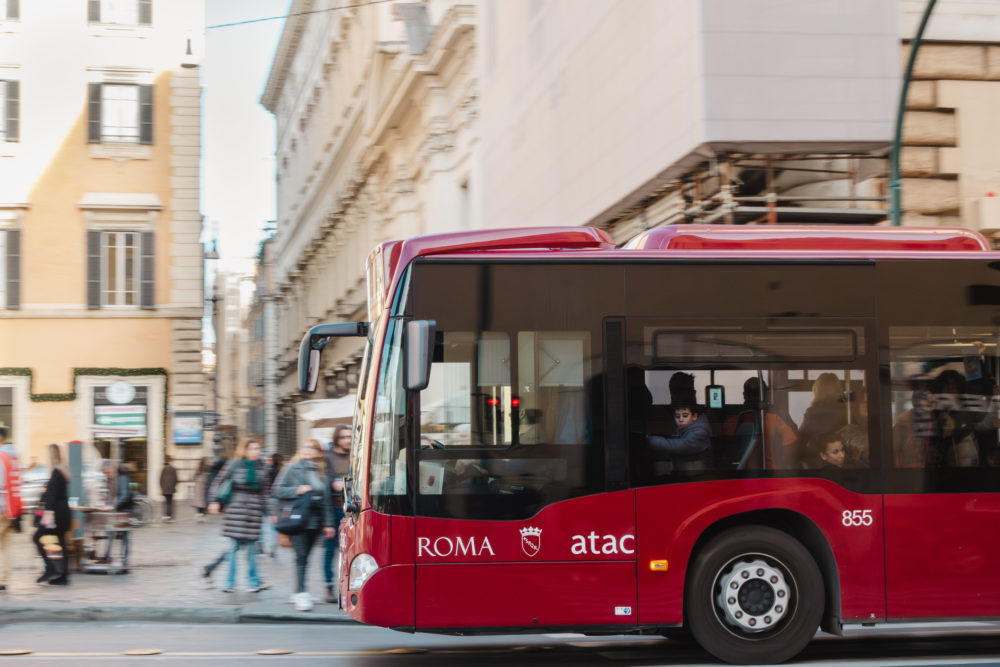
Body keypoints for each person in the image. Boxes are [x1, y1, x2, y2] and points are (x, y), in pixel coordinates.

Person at [273, 438, 336, 612]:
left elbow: (326, 500)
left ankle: (298, 592)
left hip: (315, 522)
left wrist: (328, 524)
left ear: (319, 453)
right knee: (301, 557)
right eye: (306, 447)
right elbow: (277, 489)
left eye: (313, 448)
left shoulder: (321, 471)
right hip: (298, 519)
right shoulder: (292, 468)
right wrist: (296, 490)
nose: (308, 450)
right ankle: (301, 593)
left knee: (306, 557)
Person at [208, 438, 270, 594]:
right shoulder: (234, 464)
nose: (257, 451)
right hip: (235, 511)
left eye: (258, 448)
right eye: (253, 448)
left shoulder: (263, 467)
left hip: (253, 513)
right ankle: (229, 583)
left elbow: (265, 493)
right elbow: (218, 482)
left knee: (252, 550)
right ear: (245, 450)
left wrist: (271, 512)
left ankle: (253, 582)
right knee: (233, 548)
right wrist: (214, 501)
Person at [721, 378, 798, 469]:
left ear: (744, 395)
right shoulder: (778, 416)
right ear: (765, 395)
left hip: (739, 473)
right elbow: (790, 447)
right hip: (772, 472)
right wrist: (782, 465)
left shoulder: (731, 419)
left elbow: (725, 451)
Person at [34, 444, 71, 585]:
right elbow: (57, 492)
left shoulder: (56, 472)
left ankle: (50, 568)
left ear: (51, 456)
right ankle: (64, 576)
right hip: (63, 512)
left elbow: (52, 496)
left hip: (55, 513)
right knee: (62, 542)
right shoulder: (63, 471)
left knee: (36, 537)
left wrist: (47, 514)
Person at [322, 426, 350, 603]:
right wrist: (327, 522)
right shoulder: (328, 458)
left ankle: (346, 587)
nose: (348, 439)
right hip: (333, 510)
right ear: (337, 439)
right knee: (330, 550)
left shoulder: (356, 455)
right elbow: (325, 491)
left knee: (349, 551)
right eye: (344, 437)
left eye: (349, 436)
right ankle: (328, 587)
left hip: (352, 510)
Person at [647, 402, 713, 473]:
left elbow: (681, 445)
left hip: (701, 473)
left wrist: (649, 440)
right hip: (686, 469)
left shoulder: (700, 432)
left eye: (685, 416)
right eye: (677, 416)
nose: (681, 419)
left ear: (694, 416)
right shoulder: (682, 429)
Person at [797, 373, 848, 466]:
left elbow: (800, 442)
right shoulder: (846, 411)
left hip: (818, 461)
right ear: (839, 389)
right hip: (842, 458)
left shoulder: (812, 413)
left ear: (817, 390)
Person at [0, 427, 23, 593]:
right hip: (10, 509)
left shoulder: (1, 458)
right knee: (6, 546)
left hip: (1, 508)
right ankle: (3, 579)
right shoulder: (13, 458)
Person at [893, 388, 940, 468]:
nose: (929, 402)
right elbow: (894, 449)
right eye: (925, 399)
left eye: (930, 399)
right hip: (908, 468)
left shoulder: (935, 419)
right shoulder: (903, 421)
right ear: (915, 402)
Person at [838, 387, 870, 468]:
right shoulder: (847, 432)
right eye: (862, 402)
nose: (866, 405)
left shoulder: (885, 431)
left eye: (869, 402)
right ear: (857, 406)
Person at [261, 452, 284, 558]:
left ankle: (260, 545)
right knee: (273, 525)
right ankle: (273, 546)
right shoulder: (282, 471)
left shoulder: (268, 470)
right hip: (277, 499)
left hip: (267, 498)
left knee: (263, 523)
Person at [159, 456, 178, 522]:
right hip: (171, 489)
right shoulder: (173, 469)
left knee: (166, 502)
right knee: (170, 503)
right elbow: (176, 479)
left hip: (165, 489)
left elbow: (160, 479)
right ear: (170, 461)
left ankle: (166, 516)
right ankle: (170, 517)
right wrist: (173, 486)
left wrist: (162, 487)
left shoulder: (163, 469)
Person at [191, 457, 210, 522]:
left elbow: (193, 477)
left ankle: (198, 514)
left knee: (198, 501)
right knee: (203, 501)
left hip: (198, 486)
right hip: (204, 485)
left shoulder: (197, 469)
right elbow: (208, 478)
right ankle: (202, 515)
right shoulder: (207, 468)